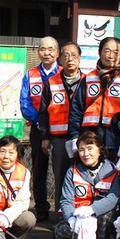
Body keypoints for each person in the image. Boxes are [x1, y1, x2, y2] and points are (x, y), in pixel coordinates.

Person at [68, 37, 120, 210]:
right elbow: (76, 111)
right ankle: (91, 219)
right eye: (107, 51)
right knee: (91, 182)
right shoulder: (87, 79)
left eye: (116, 52)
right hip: (91, 140)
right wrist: (74, 137)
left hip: (117, 142)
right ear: (99, 53)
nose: (111, 55)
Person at [53, 131, 120, 239]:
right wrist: (71, 219)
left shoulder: (111, 170)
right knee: (68, 232)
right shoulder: (72, 171)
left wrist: (92, 210)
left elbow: (114, 197)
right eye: (81, 150)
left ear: (99, 150)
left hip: (98, 216)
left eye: (90, 149)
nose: (86, 154)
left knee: (104, 217)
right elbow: (65, 200)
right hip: (77, 215)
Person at [39, 42, 84, 211]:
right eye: (65, 55)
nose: (69, 59)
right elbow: (43, 113)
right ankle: (61, 216)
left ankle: (80, 214)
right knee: (60, 177)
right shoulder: (52, 82)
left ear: (79, 58)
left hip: (81, 138)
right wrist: (45, 137)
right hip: (58, 139)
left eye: (73, 55)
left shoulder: (88, 81)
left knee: (82, 178)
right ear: (60, 58)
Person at [20, 36, 61, 221]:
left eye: (51, 49)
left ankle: (61, 207)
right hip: (38, 128)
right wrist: (40, 122)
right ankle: (41, 207)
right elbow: (24, 102)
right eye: (43, 49)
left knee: (62, 168)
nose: (47, 52)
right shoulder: (30, 75)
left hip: (61, 129)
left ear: (57, 52)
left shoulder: (63, 73)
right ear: (38, 52)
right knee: (39, 169)